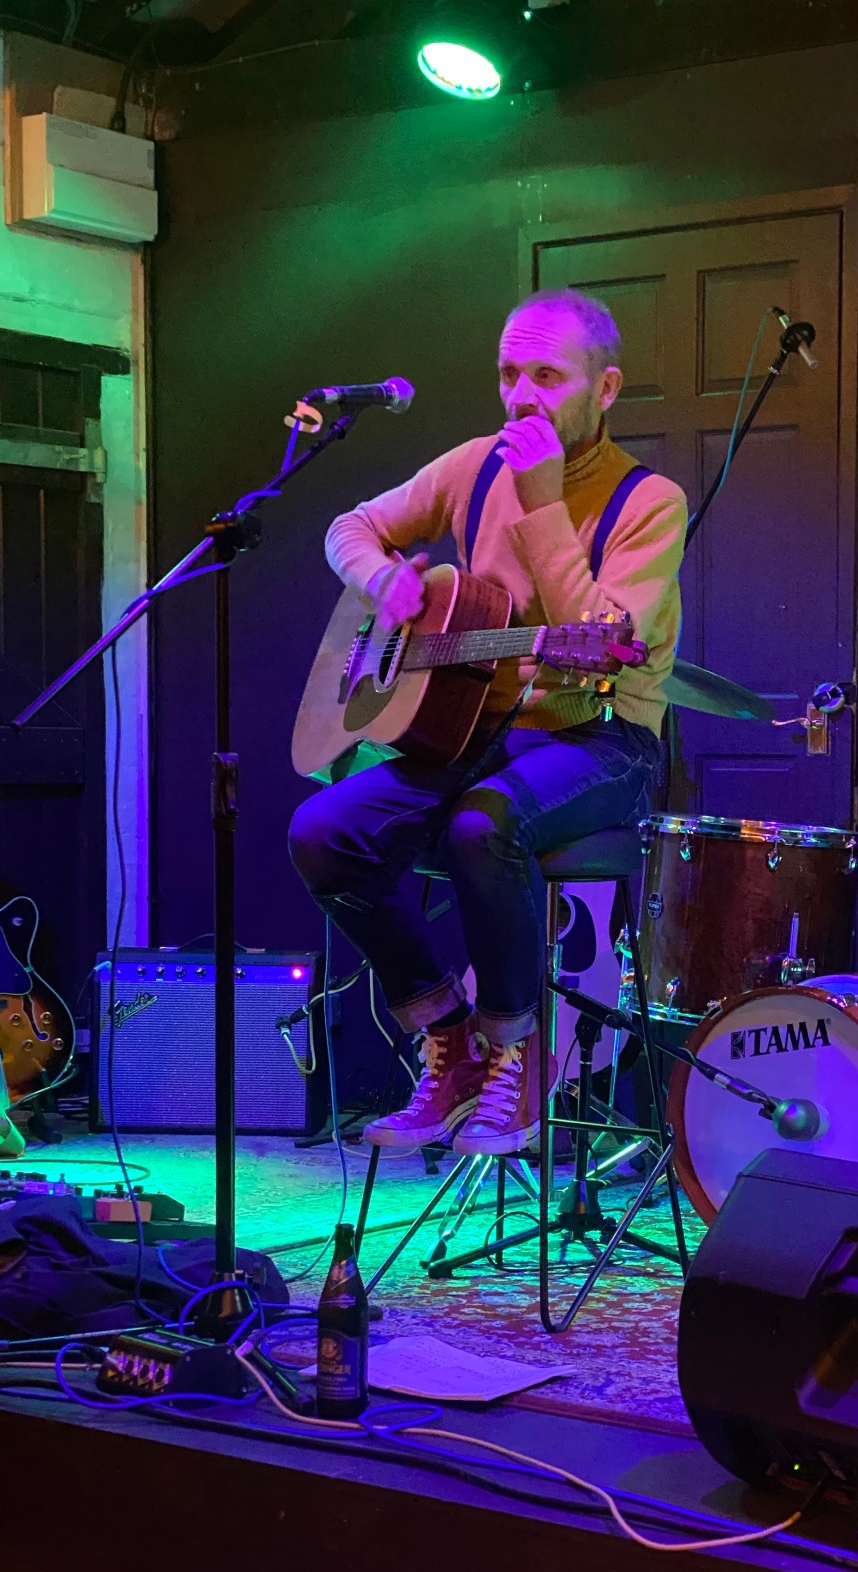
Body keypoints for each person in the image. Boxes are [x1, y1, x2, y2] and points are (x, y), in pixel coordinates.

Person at [288, 288, 686, 1157]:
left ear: (605, 388)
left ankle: (518, 1047)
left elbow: (599, 634)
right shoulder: (472, 465)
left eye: (546, 376)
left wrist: (543, 503)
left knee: (482, 824)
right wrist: (381, 581)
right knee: (322, 832)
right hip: (478, 731)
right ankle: (451, 1039)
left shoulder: (650, 502)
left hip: (602, 738)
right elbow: (350, 527)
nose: (520, 397)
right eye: (509, 374)